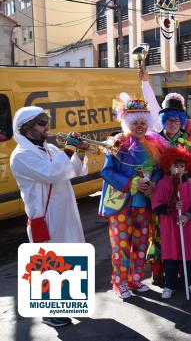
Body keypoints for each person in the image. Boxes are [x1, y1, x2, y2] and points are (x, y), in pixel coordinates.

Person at [10, 107, 87, 328]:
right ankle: (49, 313)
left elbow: (72, 171)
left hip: (64, 210)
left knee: (70, 255)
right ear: (26, 128)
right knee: (48, 264)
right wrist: (70, 150)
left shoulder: (51, 148)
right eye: (42, 122)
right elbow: (51, 173)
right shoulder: (21, 156)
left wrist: (79, 152)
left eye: (47, 120)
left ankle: (69, 302)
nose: (47, 126)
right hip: (46, 216)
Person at [99, 94, 163, 299]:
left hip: (143, 203)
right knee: (121, 243)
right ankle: (119, 282)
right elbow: (107, 172)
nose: (140, 126)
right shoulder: (117, 144)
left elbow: (159, 170)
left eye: (143, 122)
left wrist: (153, 183)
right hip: (121, 204)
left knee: (141, 241)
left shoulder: (153, 144)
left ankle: (135, 278)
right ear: (128, 124)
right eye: (135, 123)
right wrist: (131, 183)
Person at [152, 147, 191, 299]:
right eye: (175, 166)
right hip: (169, 229)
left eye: (181, 166)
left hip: (186, 227)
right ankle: (170, 285)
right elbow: (156, 205)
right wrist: (171, 207)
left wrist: (187, 216)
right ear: (168, 167)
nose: (179, 169)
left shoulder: (189, 185)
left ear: (185, 168)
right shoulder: (162, 184)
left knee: (187, 256)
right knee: (170, 259)